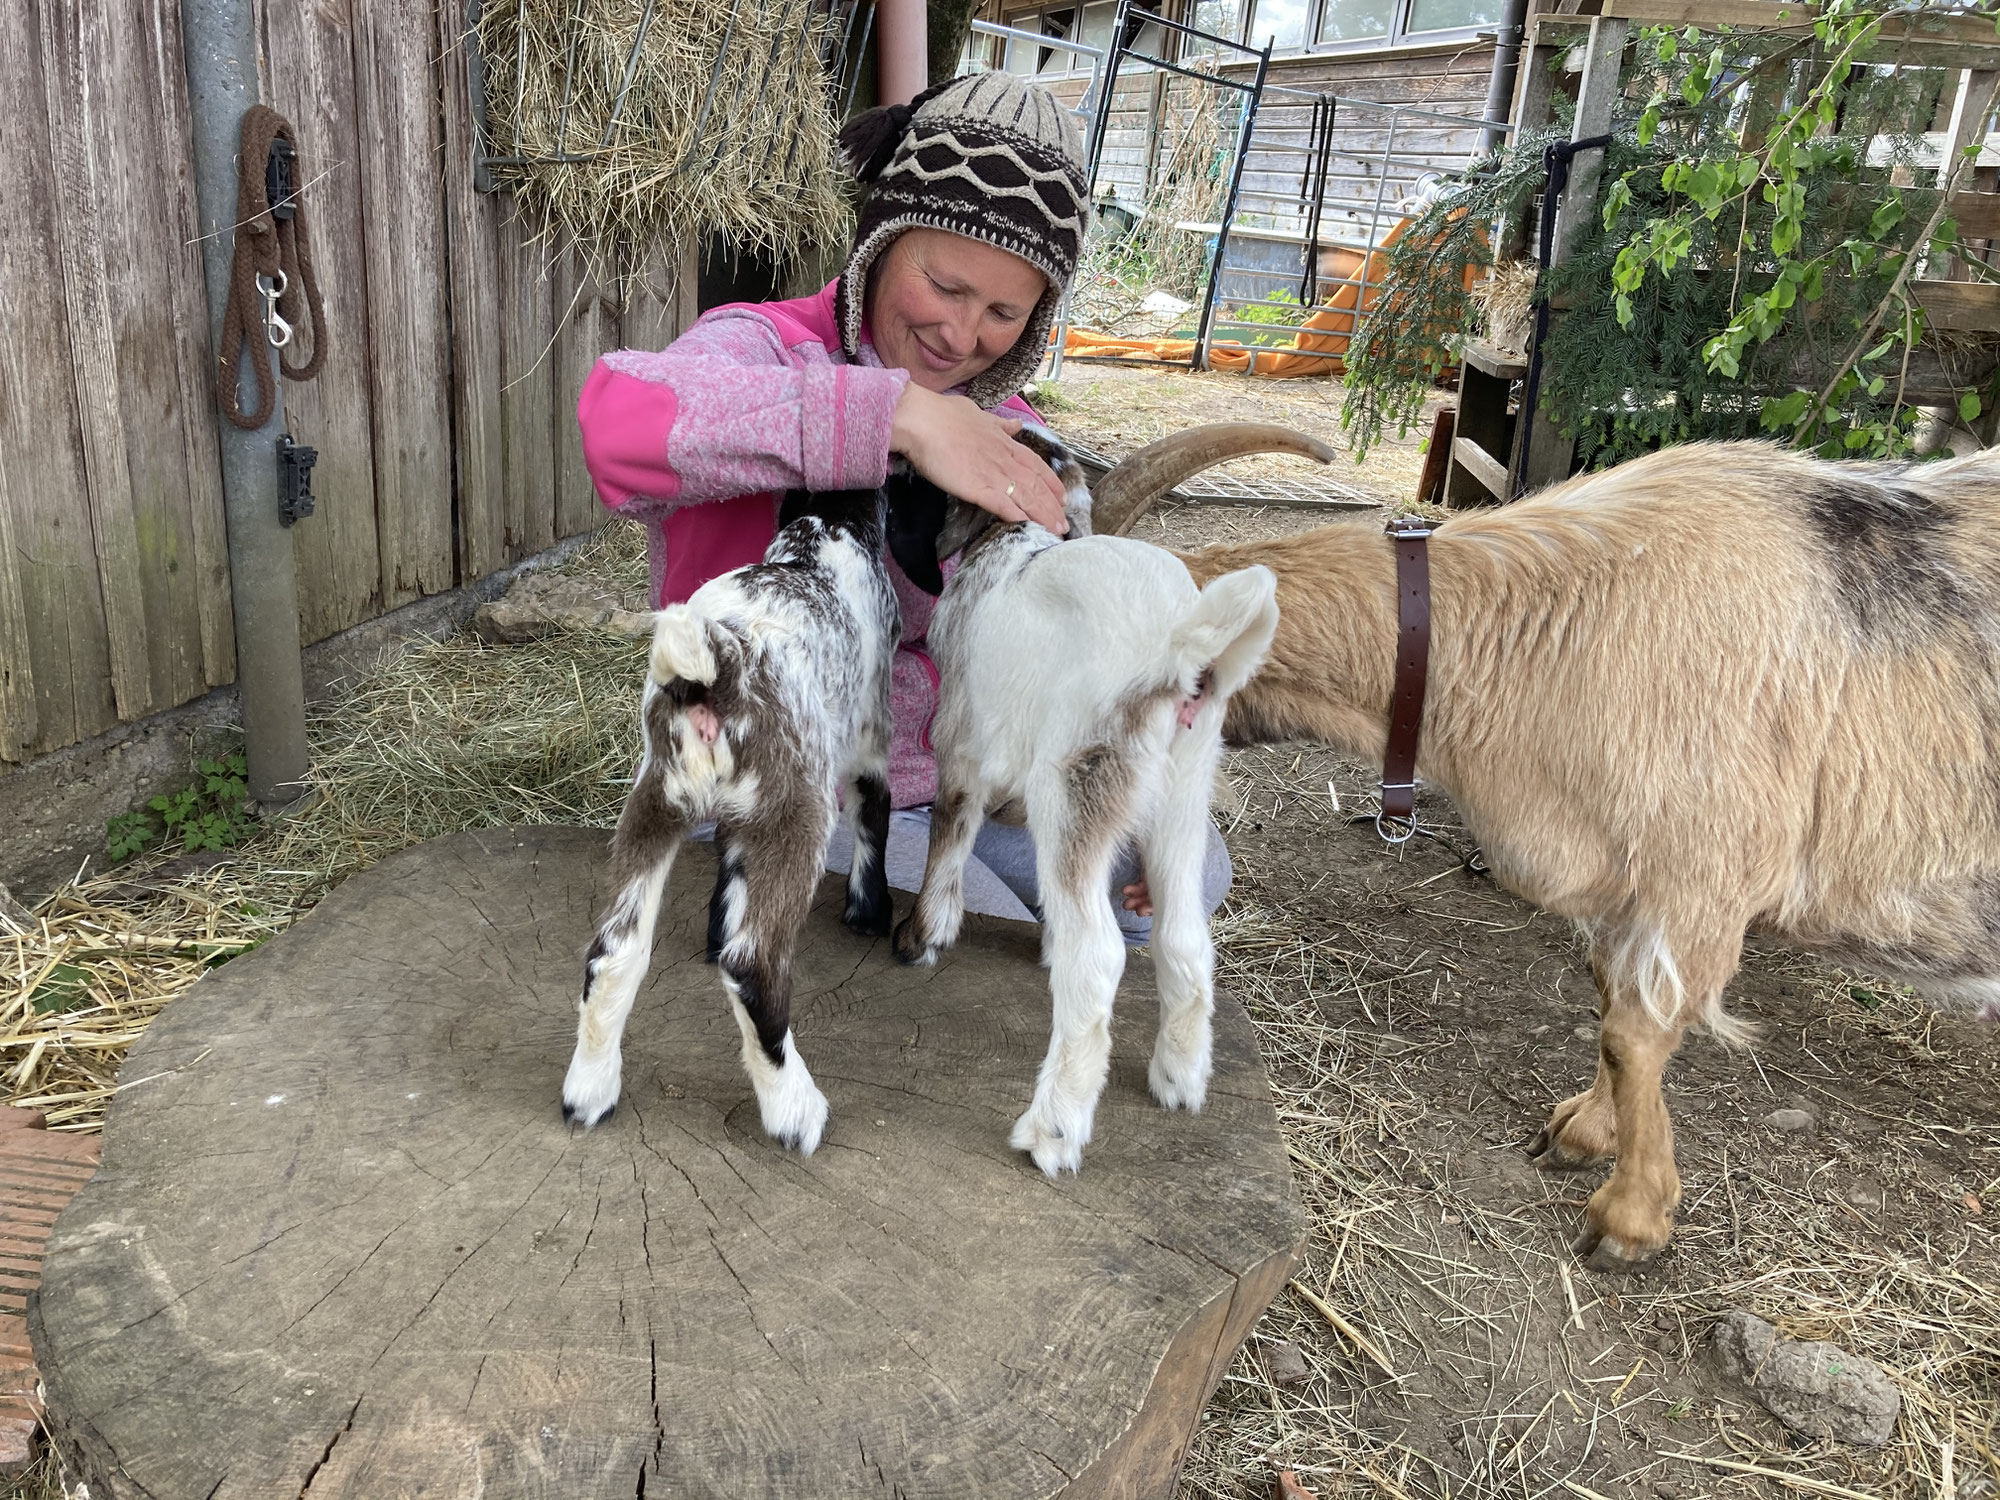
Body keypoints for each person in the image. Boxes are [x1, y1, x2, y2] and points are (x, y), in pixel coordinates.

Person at [576, 71, 1230, 941]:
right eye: (946, 286)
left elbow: (1056, 626)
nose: (963, 336)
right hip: (776, 774)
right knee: (972, 949)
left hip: (955, 776)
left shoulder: (1008, 435)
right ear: (883, 240)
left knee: (1189, 864)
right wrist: (898, 415)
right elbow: (616, 421)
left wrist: (1138, 756)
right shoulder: (763, 348)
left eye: (1004, 310)